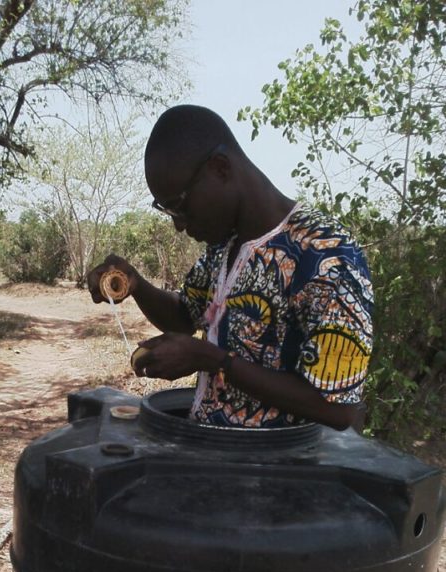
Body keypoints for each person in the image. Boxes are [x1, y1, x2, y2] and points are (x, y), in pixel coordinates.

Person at [87, 104, 373, 431]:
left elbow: (337, 409)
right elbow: (184, 316)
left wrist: (212, 359)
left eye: (179, 206)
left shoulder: (328, 254)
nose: (179, 225)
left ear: (220, 168)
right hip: (214, 462)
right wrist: (136, 284)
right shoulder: (224, 246)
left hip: (287, 474)